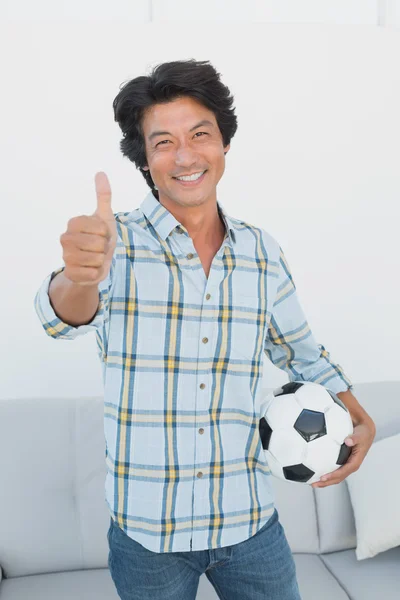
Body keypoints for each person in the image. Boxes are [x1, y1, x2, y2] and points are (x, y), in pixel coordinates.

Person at [34, 59, 375, 600]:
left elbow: (302, 353)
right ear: (144, 160)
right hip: (147, 536)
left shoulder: (261, 251)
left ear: (224, 145)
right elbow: (61, 318)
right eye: (163, 142)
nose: (186, 156)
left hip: (249, 524)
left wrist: (359, 415)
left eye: (200, 135)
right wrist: (78, 277)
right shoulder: (111, 244)